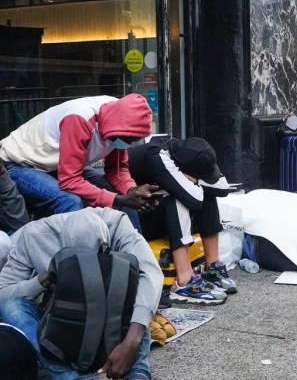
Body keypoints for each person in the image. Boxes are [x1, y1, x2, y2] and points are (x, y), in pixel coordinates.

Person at [0, 207, 163, 379]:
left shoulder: (117, 224)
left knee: (140, 290)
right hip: (60, 323)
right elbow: (3, 293)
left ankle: (138, 372)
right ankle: (72, 377)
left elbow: (152, 274)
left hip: (111, 314)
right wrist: (43, 279)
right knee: (12, 307)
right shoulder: (33, 236)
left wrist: (132, 341)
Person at [0, 94, 158, 228]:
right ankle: (77, 260)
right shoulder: (79, 118)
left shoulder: (121, 117)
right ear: (117, 126)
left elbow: (116, 170)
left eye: (133, 140)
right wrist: (117, 199)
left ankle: (134, 256)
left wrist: (132, 191)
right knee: (70, 201)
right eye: (127, 139)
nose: (127, 143)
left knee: (124, 198)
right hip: (19, 164)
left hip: (57, 165)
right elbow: (69, 180)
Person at [128, 137, 235, 305]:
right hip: (136, 218)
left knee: (205, 193)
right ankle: (184, 281)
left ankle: (212, 266)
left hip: (158, 213)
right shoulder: (156, 156)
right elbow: (193, 200)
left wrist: (197, 180)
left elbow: (223, 188)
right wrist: (191, 182)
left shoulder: (192, 152)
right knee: (178, 197)